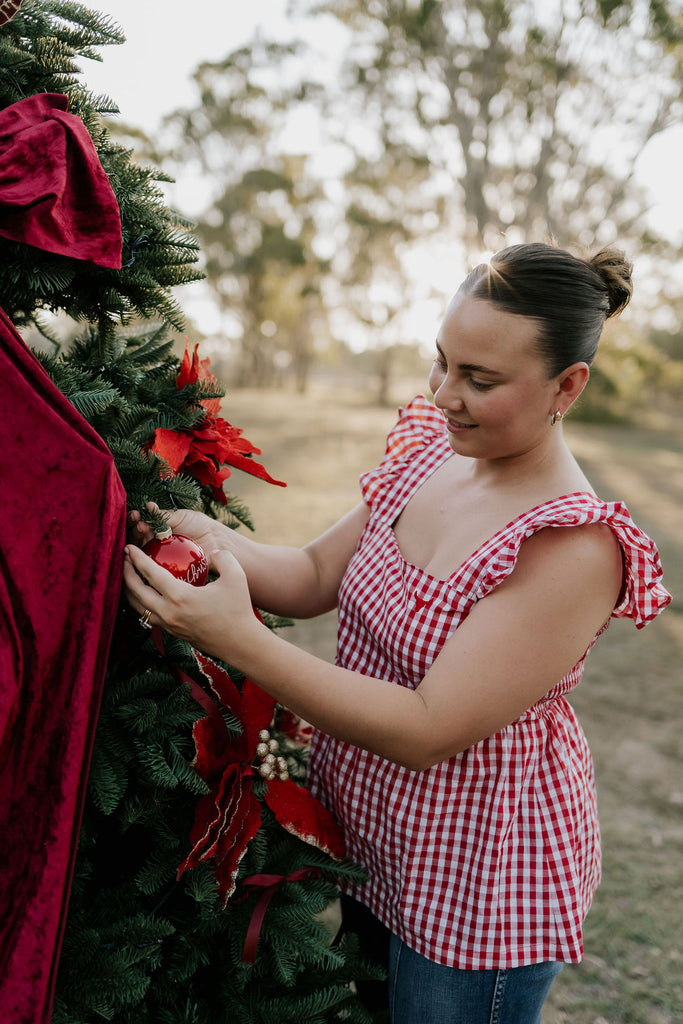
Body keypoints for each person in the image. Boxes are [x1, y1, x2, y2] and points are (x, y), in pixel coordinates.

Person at [123, 242, 671, 1024]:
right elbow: (313, 573)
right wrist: (190, 530)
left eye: (479, 380)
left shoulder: (571, 547)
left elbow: (426, 728)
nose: (446, 394)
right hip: (372, 841)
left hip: (476, 889)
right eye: (441, 362)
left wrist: (236, 636)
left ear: (567, 385)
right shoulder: (431, 455)